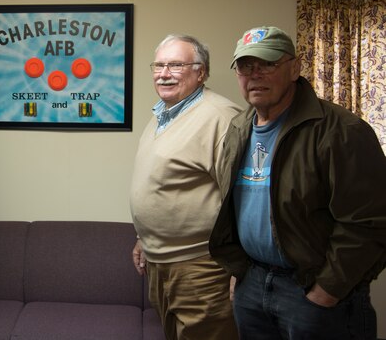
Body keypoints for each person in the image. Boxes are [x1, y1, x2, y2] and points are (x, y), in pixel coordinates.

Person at [209, 26, 386, 339]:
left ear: (294, 68)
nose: (255, 74)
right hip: (253, 284)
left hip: (312, 293)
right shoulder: (238, 128)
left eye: (267, 64)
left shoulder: (341, 131)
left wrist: (326, 291)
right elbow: (233, 209)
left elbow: (369, 222)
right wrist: (240, 270)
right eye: (246, 66)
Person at [130, 34, 241, 340]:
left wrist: (241, 267)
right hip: (159, 262)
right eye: (159, 65)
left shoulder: (220, 117)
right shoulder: (160, 116)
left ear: (201, 72)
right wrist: (145, 237)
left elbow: (242, 198)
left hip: (202, 267)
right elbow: (163, 187)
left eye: (176, 65)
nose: (164, 74)